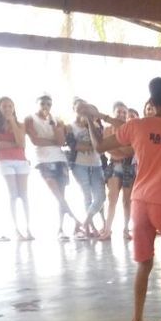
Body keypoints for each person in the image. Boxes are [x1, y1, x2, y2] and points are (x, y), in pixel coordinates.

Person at [84, 77, 161, 321]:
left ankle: (136, 320)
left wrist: (90, 119)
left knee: (144, 263)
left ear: (151, 102)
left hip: (140, 203)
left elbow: (100, 146)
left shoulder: (137, 126)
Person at [25, 94, 81, 240]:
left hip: (59, 158)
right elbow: (35, 141)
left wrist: (53, 129)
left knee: (61, 195)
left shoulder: (55, 120)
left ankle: (61, 229)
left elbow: (61, 141)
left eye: (49, 104)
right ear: (37, 103)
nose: (46, 106)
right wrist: (53, 140)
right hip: (43, 159)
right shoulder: (30, 119)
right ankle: (75, 220)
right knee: (56, 193)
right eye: (43, 103)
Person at [0, 96, 32, 240]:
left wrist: (12, 122)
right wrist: (14, 144)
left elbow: (22, 143)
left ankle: (28, 228)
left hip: (21, 161)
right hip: (5, 162)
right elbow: (0, 145)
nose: (8, 109)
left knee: (24, 195)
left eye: (10, 106)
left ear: (14, 108)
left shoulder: (20, 124)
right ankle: (16, 229)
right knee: (13, 195)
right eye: (4, 106)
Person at [68, 99, 106, 238]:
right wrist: (93, 147)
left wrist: (91, 124)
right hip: (79, 165)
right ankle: (91, 227)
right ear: (74, 109)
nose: (82, 110)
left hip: (97, 164)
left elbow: (102, 145)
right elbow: (74, 146)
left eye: (85, 107)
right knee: (87, 196)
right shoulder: (70, 126)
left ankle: (85, 222)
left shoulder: (96, 125)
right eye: (79, 108)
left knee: (101, 196)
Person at [100, 101, 134, 240]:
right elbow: (106, 149)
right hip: (114, 165)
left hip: (128, 166)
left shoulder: (131, 129)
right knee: (112, 198)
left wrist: (116, 146)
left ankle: (126, 229)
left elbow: (130, 151)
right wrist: (121, 148)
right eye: (118, 112)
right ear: (114, 113)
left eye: (124, 112)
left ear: (127, 115)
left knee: (127, 201)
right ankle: (108, 229)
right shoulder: (107, 129)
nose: (121, 114)